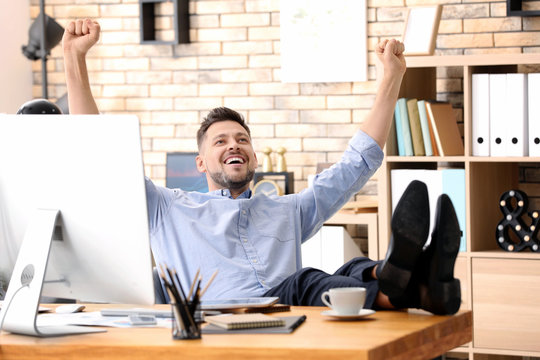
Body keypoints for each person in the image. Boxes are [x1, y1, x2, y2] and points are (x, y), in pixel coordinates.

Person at [62, 19, 461, 315]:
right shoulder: (168, 207)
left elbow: (355, 164)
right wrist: (73, 59)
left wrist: (392, 77)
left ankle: (420, 283)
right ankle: (417, 278)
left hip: (285, 315)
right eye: (220, 141)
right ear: (200, 162)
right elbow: (103, 156)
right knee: (306, 281)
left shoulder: (288, 210)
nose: (234, 144)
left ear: (253, 155)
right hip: (220, 323)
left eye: (242, 139)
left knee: (354, 268)